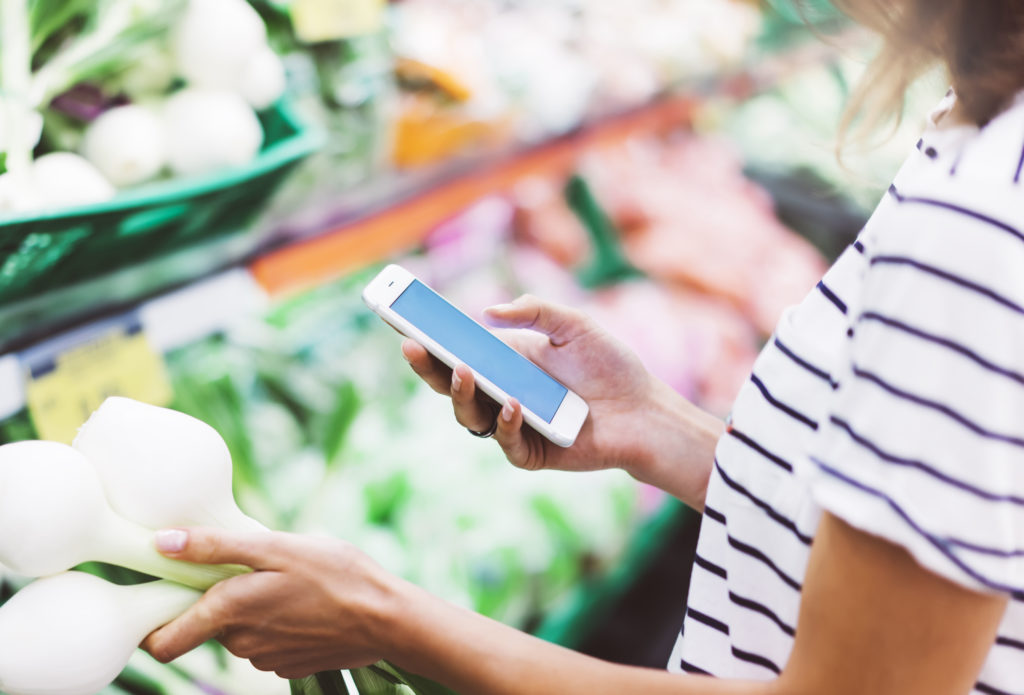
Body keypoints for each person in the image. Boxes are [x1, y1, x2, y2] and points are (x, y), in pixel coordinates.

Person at [143, 1, 1024, 693]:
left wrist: (385, 616)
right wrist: (660, 429)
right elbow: (917, 526)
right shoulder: (981, 144)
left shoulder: (977, 224)